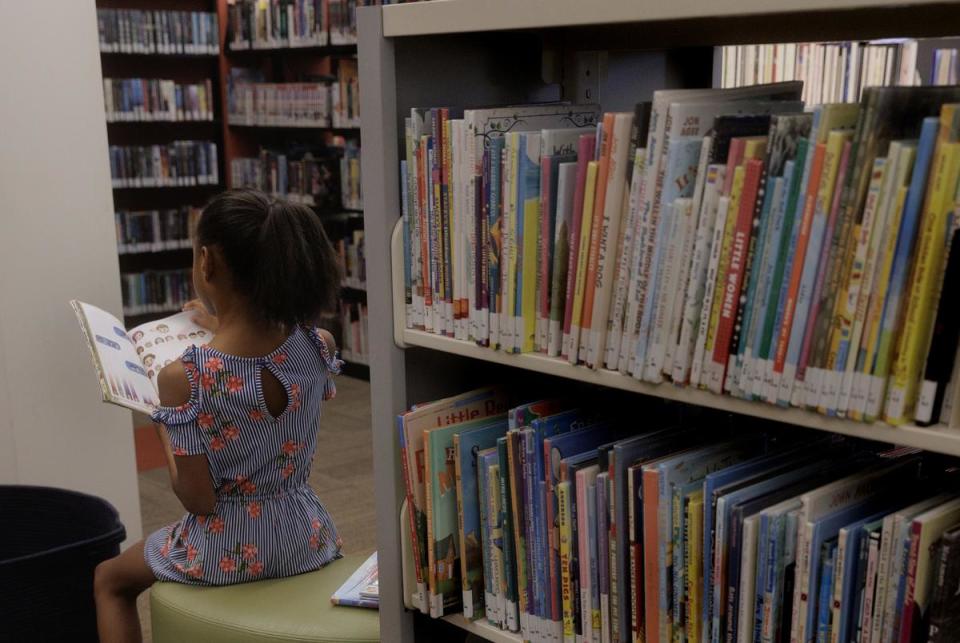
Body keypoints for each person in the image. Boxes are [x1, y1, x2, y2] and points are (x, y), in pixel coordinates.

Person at [94, 189, 344, 643]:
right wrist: (220, 324)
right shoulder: (317, 344)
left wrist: (163, 415)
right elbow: (264, 363)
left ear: (206, 262)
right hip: (307, 534)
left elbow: (197, 499)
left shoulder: (184, 378)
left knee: (109, 580)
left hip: (226, 548)